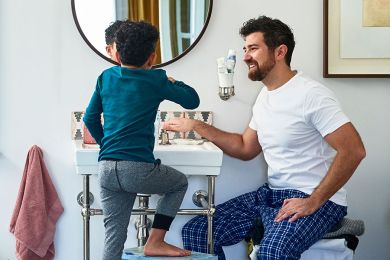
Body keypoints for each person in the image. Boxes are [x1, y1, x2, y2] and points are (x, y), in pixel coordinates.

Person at [163, 16, 366, 259]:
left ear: (280, 52)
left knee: (272, 252)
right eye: (245, 49)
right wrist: (197, 125)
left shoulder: (312, 95)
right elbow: (246, 148)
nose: (246, 56)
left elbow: (354, 150)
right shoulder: (265, 96)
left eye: (254, 48)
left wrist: (314, 201)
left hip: (316, 199)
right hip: (272, 194)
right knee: (199, 232)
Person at [83, 20, 200, 259]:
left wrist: (107, 145)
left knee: (114, 235)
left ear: (116, 52)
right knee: (178, 183)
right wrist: (170, 79)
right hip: (137, 169)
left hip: (106, 168)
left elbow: (89, 118)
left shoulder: (105, 77)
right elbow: (192, 100)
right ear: (152, 56)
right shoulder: (156, 80)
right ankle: (155, 242)